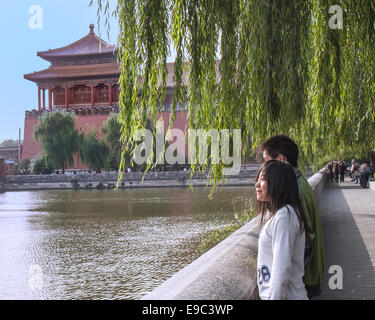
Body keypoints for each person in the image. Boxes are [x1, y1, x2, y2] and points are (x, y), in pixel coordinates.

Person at [262, 134, 325, 298]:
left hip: (305, 277)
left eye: (267, 161)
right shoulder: (302, 182)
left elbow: (301, 240)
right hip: (311, 273)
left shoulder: (296, 191)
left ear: (281, 160)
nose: (264, 167)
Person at [255, 160, 309, 300]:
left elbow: (281, 269)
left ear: (278, 182)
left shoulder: (285, 216)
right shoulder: (284, 214)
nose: (257, 184)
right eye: (258, 179)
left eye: (263, 179)